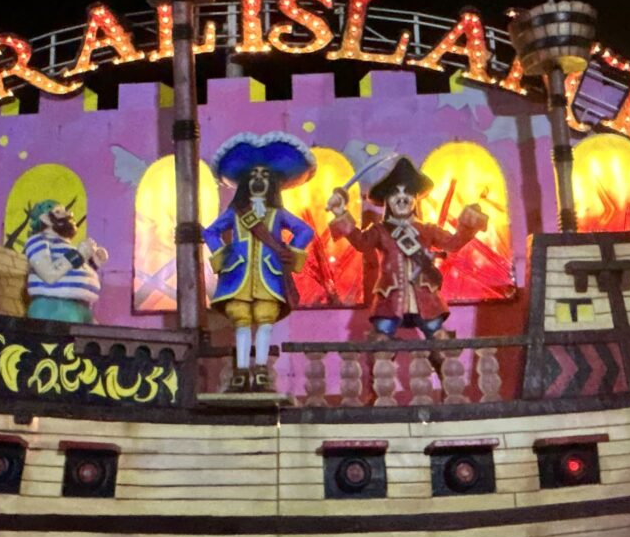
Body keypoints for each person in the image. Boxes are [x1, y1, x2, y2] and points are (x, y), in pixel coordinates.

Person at [327, 156, 487, 340]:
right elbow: (361, 242)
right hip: (390, 296)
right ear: (387, 200)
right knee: (382, 334)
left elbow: (453, 243)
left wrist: (468, 224)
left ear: (415, 199)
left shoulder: (427, 230)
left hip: (425, 297)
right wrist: (340, 213)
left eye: (408, 193)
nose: (402, 198)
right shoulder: (380, 230)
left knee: (437, 332)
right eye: (396, 194)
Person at [205, 133, 318, 392]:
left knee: (266, 321)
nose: (259, 180)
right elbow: (211, 232)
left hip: (269, 273)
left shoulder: (278, 213)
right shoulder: (236, 212)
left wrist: (290, 253)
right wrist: (223, 257)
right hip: (239, 274)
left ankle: (261, 370)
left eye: (265, 176)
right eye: (254, 176)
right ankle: (242, 370)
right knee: (242, 321)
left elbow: (305, 231)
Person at [21, 200, 106, 324]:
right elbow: (48, 274)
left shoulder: (67, 247)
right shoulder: (38, 241)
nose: (68, 214)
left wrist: (93, 263)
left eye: (65, 210)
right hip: (54, 307)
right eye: (58, 211)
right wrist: (78, 254)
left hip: (81, 308)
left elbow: (70, 270)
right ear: (45, 218)